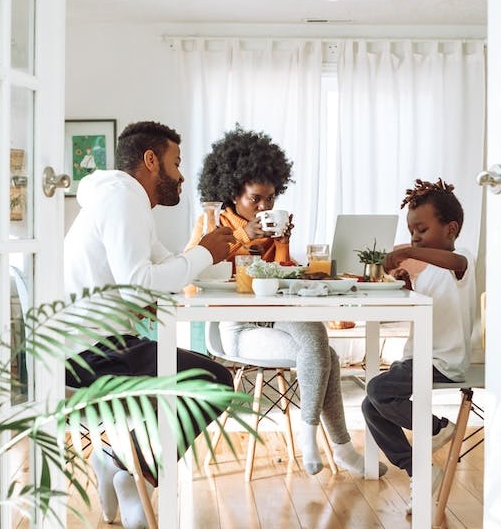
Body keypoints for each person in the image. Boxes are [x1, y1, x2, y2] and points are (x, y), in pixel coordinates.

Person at [64, 120, 236, 529]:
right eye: (176, 163)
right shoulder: (124, 200)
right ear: (150, 159)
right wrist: (205, 254)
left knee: (198, 374)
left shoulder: (122, 200)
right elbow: (141, 285)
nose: (180, 176)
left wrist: (212, 254)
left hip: (95, 343)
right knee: (213, 381)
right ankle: (130, 467)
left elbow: (162, 267)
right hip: (87, 353)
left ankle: (120, 462)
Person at [184, 126, 381, 477]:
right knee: (326, 354)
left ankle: (323, 443)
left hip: (276, 316)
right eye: (255, 199)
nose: (264, 206)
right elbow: (191, 279)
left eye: (270, 199)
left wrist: (285, 244)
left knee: (317, 340)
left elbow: (277, 279)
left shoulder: (271, 227)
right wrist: (245, 235)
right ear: (232, 192)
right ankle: (336, 447)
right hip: (237, 327)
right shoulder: (212, 223)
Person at [360, 178, 481, 513]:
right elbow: (421, 305)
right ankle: (420, 469)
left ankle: (437, 428)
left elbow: (454, 266)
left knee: (379, 391)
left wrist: (410, 252)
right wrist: (406, 283)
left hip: (443, 360)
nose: (414, 238)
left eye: (422, 230)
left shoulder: (461, 260)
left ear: (451, 229)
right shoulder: (428, 271)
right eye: (412, 232)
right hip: (417, 357)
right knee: (371, 405)